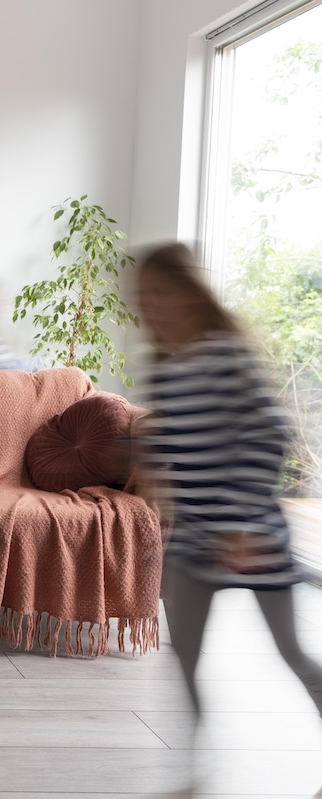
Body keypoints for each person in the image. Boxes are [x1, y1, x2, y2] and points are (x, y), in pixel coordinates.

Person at [135, 242, 322, 795]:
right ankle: (196, 775)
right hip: (195, 541)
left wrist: (239, 521)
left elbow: (269, 436)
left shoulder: (226, 356)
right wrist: (148, 451)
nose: (146, 307)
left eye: (156, 294)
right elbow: (176, 437)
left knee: (290, 651)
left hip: (251, 536)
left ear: (189, 296)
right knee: (185, 654)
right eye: (140, 297)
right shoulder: (165, 367)